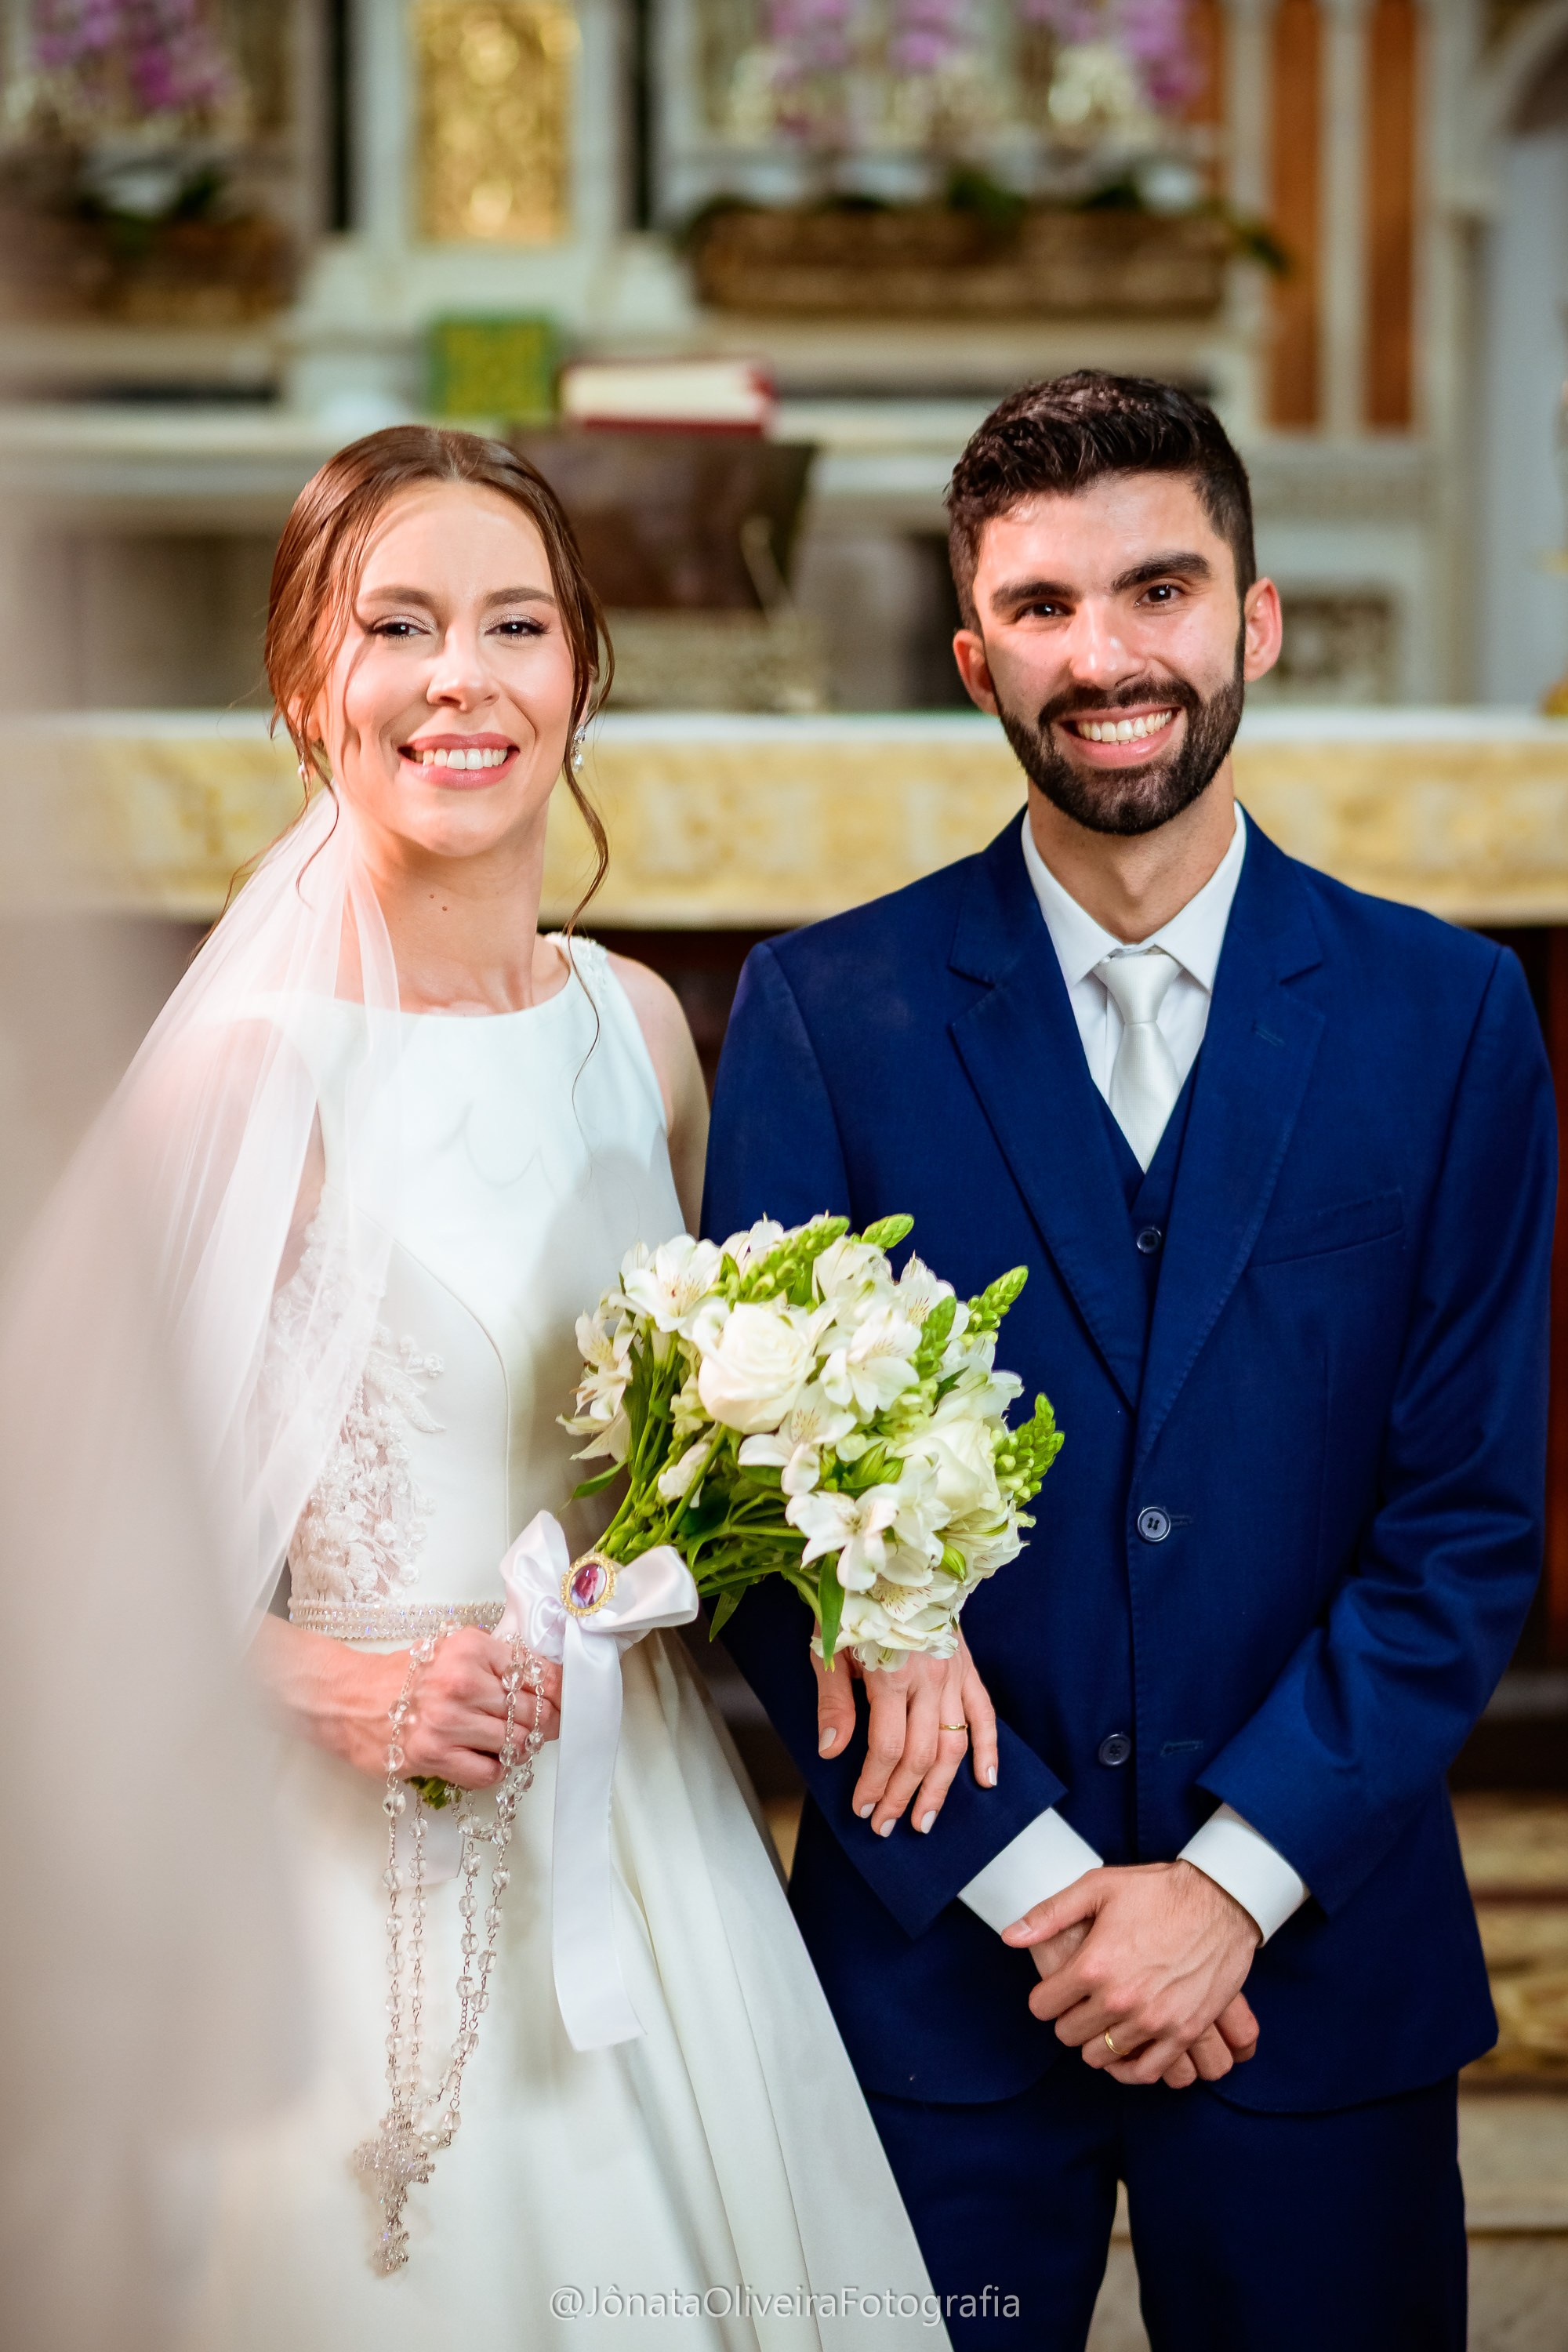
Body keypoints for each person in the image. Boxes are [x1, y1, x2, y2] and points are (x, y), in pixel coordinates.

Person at [41, 426, 944, 2349]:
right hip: (342, 1872)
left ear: (579, 674)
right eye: (398, 627)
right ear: (308, 686)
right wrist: (338, 1683)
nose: (461, 678)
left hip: (643, 1828)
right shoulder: (249, 1075)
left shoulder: (636, 1037)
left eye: (514, 624)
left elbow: (727, 1446)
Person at [701, 372, 1555, 2351]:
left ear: (1251, 618)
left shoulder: (1447, 1019)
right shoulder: (826, 1016)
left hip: (1313, 1977)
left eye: (1160, 590)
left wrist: (1226, 1888)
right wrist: (1039, 1894)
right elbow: (762, 1541)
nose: (1108, 657)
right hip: (934, 1995)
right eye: (1047, 606)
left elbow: (1464, 1532)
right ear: (972, 654)